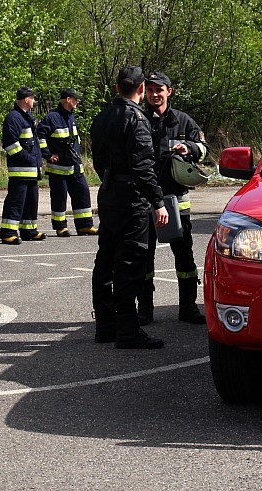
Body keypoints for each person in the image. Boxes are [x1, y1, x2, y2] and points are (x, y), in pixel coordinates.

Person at [89, 66, 168, 349]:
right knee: (130, 263)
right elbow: (143, 166)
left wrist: (111, 180)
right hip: (132, 198)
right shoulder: (137, 119)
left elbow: (98, 161)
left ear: (117, 88)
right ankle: (127, 330)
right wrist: (157, 201)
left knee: (105, 260)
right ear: (140, 88)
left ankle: (105, 326)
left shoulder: (102, 118)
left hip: (109, 193)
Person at [138, 71, 209, 326]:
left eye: (160, 90)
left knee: (185, 257)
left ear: (169, 91)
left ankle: (188, 308)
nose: (155, 94)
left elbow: (204, 149)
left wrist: (189, 148)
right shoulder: (139, 119)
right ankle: (144, 309)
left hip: (177, 201)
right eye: (150, 90)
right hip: (146, 201)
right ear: (145, 92)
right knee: (144, 258)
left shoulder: (183, 121)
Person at [37, 88, 97, 237]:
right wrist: (48, 155)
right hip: (58, 169)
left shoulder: (71, 117)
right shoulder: (51, 118)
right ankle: (60, 227)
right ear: (68, 100)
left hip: (75, 167)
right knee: (59, 198)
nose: (77, 102)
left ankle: (85, 226)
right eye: (75, 99)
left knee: (82, 194)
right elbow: (39, 138)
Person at [0, 86, 45, 244]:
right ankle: (8, 232)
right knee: (16, 202)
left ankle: (29, 230)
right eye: (33, 98)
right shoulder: (13, 118)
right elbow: (10, 144)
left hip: (31, 170)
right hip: (20, 170)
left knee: (31, 202)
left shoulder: (27, 117)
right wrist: (29, 159)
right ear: (26, 100)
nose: (34, 101)